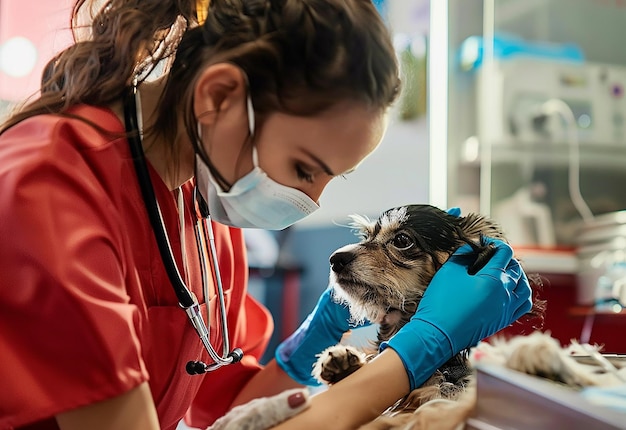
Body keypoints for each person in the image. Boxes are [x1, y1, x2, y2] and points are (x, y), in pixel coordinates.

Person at [0, 1, 532, 429]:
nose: (312, 202)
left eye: (330, 179)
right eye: (305, 169)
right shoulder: (47, 190)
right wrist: (416, 352)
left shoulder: (207, 211)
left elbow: (223, 409)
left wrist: (318, 334)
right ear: (220, 95)